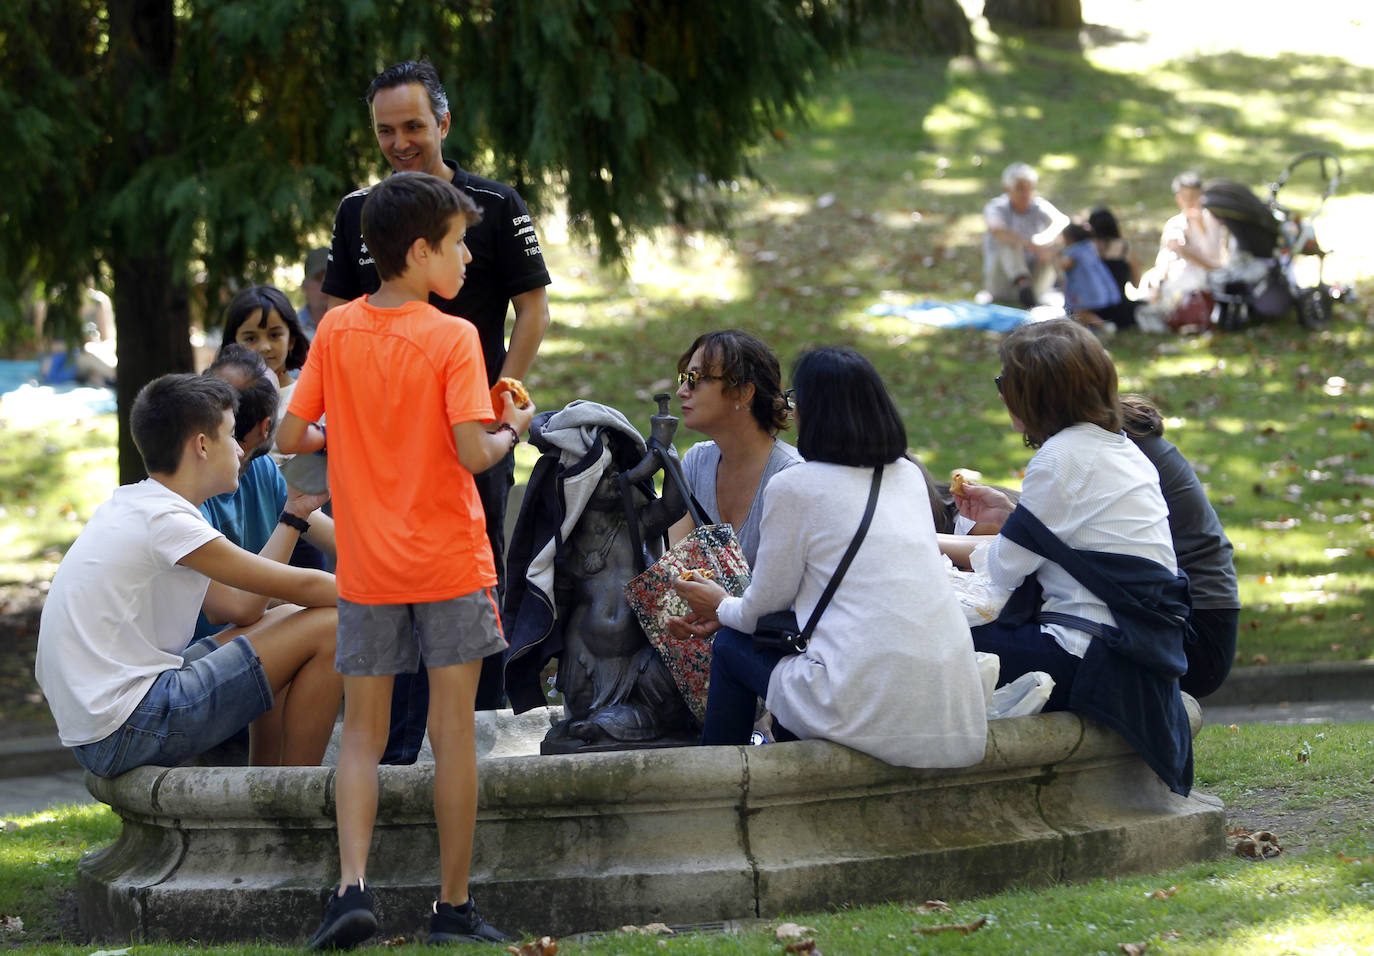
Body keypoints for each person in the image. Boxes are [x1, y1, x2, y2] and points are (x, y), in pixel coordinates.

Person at [278, 171, 535, 949]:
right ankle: (451, 908)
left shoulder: (338, 330)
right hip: (450, 561)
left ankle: (350, 889)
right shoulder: (454, 336)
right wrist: (514, 427)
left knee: (362, 735)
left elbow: (291, 438)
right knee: (453, 736)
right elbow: (471, 450)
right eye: (458, 245)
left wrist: (347, 435)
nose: (466, 260)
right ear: (421, 252)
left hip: (367, 566)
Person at [323, 57, 552, 716]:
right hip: (383, 438)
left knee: (477, 567)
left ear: (443, 122)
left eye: (413, 126)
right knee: (382, 570)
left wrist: (497, 397)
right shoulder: (358, 212)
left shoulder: (495, 204)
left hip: (468, 429)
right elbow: (335, 315)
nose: (400, 143)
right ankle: (394, 728)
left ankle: (478, 718)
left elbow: (533, 310)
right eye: (385, 130)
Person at [675, 347, 987, 769]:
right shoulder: (906, 475)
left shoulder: (794, 486)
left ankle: (715, 784)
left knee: (732, 644)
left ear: (814, 411)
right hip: (954, 713)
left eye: (796, 398)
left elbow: (758, 612)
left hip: (864, 705)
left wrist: (718, 603)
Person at [33, 373, 341, 778]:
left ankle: (268, 786)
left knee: (289, 617)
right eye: (231, 434)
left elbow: (244, 607)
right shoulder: (169, 521)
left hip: (107, 723)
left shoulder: (138, 504)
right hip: (128, 725)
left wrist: (296, 514)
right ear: (201, 445)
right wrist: (394, 595)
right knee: (335, 623)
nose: (238, 448)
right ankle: (295, 803)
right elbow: (298, 583)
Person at [938, 320, 1193, 794]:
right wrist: (1012, 515)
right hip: (1132, 650)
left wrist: (917, 544)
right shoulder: (1119, 448)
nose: (1001, 395)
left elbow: (1003, 574)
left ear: (1034, 395)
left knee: (909, 643)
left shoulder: (1059, 458)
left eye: (1005, 383)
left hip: (1086, 655)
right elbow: (1068, 543)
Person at [665, 331, 801, 639]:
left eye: (696, 379)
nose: (682, 391)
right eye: (684, 378)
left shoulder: (791, 479)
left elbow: (785, 604)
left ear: (742, 393)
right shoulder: (696, 462)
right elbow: (674, 562)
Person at [1121, 395, 1239, 698]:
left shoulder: (1117, 445)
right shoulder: (1112, 435)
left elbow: (1050, 531)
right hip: (1197, 613)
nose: (1003, 395)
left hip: (1196, 630)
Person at [218, 290, 328, 571]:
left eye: (275, 335)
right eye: (251, 338)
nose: (265, 347)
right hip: (254, 514)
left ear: (292, 339)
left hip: (304, 516)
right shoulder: (223, 399)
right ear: (233, 344)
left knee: (308, 588)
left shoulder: (308, 393)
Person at [1139, 171, 1228, 313]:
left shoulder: (1213, 221)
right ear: (1179, 199)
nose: (1191, 202)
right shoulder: (1175, 224)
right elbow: (1163, 262)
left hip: (1210, 277)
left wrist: (1199, 228)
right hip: (1181, 279)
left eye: (1195, 197)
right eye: (1186, 198)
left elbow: (1215, 258)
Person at [982, 162, 1069, 308]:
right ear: (1007, 189)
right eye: (1020, 188)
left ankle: (1049, 288)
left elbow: (1063, 221)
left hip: (1036, 284)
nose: (1026, 193)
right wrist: (1030, 244)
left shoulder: (1039, 206)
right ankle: (1022, 281)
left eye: (1030, 188)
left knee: (1056, 245)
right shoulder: (997, 207)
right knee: (1008, 241)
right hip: (1002, 283)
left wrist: (1044, 241)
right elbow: (997, 229)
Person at [1058, 220, 1121, 330]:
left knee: (1081, 313)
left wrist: (1056, 258)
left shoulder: (1074, 251)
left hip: (1085, 291)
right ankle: (1087, 330)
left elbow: (1064, 266)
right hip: (1097, 288)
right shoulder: (1089, 247)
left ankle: (1105, 327)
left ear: (1070, 239)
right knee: (1081, 315)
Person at [1087, 207, 1141, 330]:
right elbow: (1136, 284)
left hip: (1094, 310)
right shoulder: (1125, 248)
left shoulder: (1087, 249)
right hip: (1121, 311)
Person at [298, 247, 331, 340]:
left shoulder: (353, 325)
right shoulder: (292, 328)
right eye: (318, 278)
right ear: (304, 286)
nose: (326, 284)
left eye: (331, 277)